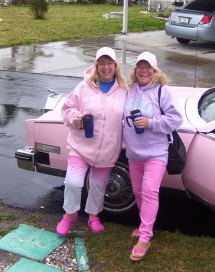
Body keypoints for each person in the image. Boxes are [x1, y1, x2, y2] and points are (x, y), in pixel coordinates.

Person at [56, 46, 128, 236]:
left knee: (98, 185)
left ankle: (93, 216)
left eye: (109, 63)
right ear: (96, 66)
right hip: (81, 145)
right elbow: (68, 108)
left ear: (115, 65)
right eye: (102, 63)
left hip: (108, 148)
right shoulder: (84, 87)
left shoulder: (124, 89)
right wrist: (75, 118)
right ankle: (69, 215)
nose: (106, 67)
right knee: (73, 182)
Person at [123, 51, 183, 261]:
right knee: (138, 193)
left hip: (156, 152)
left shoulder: (162, 92)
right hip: (134, 153)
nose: (144, 70)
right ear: (135, 70)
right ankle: (143, 227)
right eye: (140, 66)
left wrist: (151, 123)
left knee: (149, 191)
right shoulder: (128, 90)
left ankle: (145, 236)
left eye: (148, 67)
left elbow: (175, 119)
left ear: (155, 70)